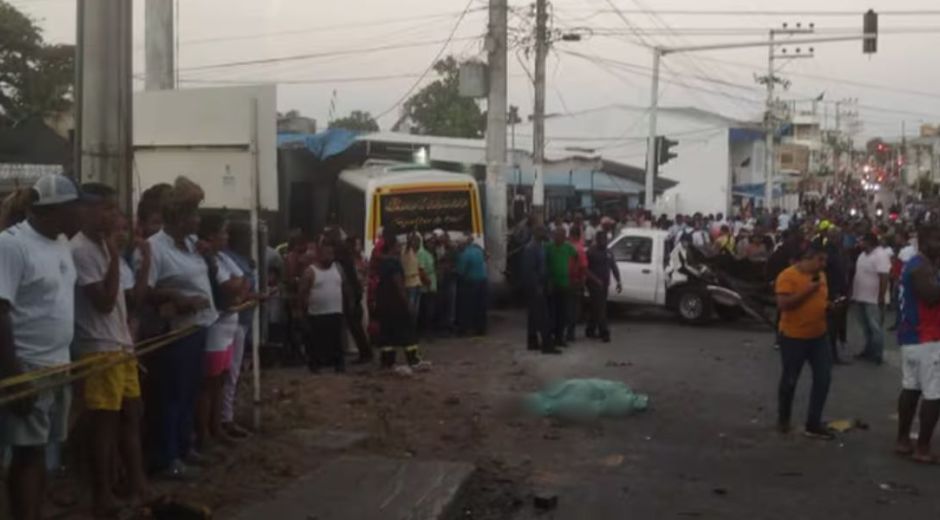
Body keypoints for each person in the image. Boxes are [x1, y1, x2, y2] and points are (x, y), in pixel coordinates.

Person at [0, 174, 83, 520]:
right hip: (28, 367)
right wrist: (16, 377)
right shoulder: (12, 245)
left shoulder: (61, 241)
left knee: (43, 451)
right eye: (73, 209)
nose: (78, 217)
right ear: (53, 210)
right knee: (28, 453)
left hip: (57, 365)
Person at [70, 183, 150, 514]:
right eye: (105, 209)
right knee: (103, 423)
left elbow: (132, 300)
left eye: (114, 209)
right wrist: (116, 256)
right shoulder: (81, 249)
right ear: (85, 210)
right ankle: (100, 493)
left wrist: (145, 262)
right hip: (98, 347)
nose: (113, 216)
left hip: (120, 344)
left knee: (132, 413)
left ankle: (137, 483)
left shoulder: (104, 246)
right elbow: (103, 302)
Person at [141, 177, 217, 479]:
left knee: (189, 393)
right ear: (180, 217)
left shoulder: (190, 246)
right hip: (174, 332)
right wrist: (177, 298)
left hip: (197, 328)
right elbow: (146, 292)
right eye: (194, 214)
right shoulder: (154, 248)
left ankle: (185, 447)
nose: (198, 219)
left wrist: (208, 258)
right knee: (170, 396)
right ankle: (167, 455)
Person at [775, 243, 833, 440]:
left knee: (823, 378)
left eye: (824, 260)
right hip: (793, 338)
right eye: (820, 260)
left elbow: (822, 301)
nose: (823, 264)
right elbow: (783, 304)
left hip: (819, 336)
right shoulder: (787, 276)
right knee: (790, 380)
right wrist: (808, 290)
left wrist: (830, 307)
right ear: (807, 258)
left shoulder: (821, 276)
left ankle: (813, 422)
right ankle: (784, 419)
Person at [896, 224, 940, 463]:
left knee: (911, 388)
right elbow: (931, 296)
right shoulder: (920, 267)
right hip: (926, 338)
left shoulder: (918, 265)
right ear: (924, 243)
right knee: (934, 394)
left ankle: (903, 440)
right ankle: (922, 448)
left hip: (913, 338)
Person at [220, 221, 256, 438]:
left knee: (235, 372)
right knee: (229, 374)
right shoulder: (227, 257)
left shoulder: (243, 259)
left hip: (244, 319)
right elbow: (237, 289)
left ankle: (228, 414)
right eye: (246, 236)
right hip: (232, 321)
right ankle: (225, 418)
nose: (250, 240)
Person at [375, 233, 427, 372]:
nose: (400, 247)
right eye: (398, 245)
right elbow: (399, 284)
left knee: (387, 334)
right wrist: (407, 302)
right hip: (396, 304)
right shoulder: (394, 263)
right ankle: (413, 359)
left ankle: (387, 362)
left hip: (384, 303)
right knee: (408, 331)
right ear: (392, 247)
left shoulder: (382, 263)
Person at [299, 240, 348, 373]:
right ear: (319, 254)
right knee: (316, 341)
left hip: (336, 311)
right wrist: (303, 311)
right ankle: (315, 365)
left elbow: (343, 287)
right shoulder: (310, 271)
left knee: (337, 341)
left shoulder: (338, 268)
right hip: (317, 313)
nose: (330, 256)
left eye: (332, 253)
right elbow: (303, 292)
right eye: (327, 253)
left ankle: (339, 364)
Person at [851, 233, 890, 365]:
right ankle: (868, 350)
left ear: (869, 242)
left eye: (861, 241)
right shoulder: (862, 255)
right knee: (865, 327)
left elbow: (884, 277)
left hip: (873, 298)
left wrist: (881, 296)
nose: (859, 243)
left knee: (875, 327)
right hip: (860, 296)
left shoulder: (880, 255)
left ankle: (877, 354)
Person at [333, 234, 372, 364]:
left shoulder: (345, 261)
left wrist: (351, 298)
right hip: (354, 294)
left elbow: (349, 281)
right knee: (356, 326)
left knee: (355, 326)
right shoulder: (349, 260)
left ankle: (365, 353)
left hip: (350, 295)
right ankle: (365, 352)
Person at [521, 226, 557, 354]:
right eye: (542, 231)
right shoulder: (531, 248)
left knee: (533, 315)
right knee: (543, 316)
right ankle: (547, 345)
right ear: (536, 232)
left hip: (540, 284)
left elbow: (543, 267)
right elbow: (530, 271)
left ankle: (532, 342)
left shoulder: (540, 246)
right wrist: (537, 287)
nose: (545, 233)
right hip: (535, 286)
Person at [544, 226, 578, 347]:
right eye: (556, 235)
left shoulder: (568, 247)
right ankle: (552, 337)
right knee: (553, 313)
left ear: (565, 237)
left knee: (563, 314)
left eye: (561, 236)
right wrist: (548, 280)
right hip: (553, 285)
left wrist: (574, 272)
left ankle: (560, 338)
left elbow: (576, 257)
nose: (559, 238)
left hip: (565, 284)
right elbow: (544, 263)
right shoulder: (548, 247)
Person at [585, 232, 622, 342]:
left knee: (596, 308)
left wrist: (618, 281)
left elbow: (614, 267)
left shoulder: (608, 252)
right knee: (601, 308)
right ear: (597, 240)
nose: (603, 242)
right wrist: (595, 280)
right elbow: (585, 269)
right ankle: (604, 332)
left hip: (605, 284)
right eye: (601, 239)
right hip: (594, 284)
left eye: (605, 239)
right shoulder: (591, 252)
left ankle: (590, 329)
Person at [455, 235, 488, 336]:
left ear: (463, 244)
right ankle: (481, 329)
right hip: (483, 281)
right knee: (480, 307)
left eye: (459, 244)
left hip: (471, 283)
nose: (458, 246)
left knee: (467, 307)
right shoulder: (478, 251)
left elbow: (461, 271)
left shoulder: (465, 254)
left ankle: (465, 329)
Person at [565, 226, 588, 342]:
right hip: (576, 281)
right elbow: (583, 267)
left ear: (571, 235)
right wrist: (583, 281)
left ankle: (564, 332)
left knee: (566, 306)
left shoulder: (565, 246)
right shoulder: (580, 249)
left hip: (564, 280)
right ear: (579, 236)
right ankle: (570, 333)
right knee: (574, 308)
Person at [416, 235, 437, 339]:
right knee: (427, 311)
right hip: (426, 287)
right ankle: (426, 332)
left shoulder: (430, 254)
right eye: (430, 242)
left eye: (433, 242)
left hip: (432, 285)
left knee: (431, 310)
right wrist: (427, 282)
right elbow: (421, 270)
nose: (432, 244)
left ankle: (430, 331)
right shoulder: (422, 253)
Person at [401, 233, 422, 317]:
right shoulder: (405, 250)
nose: (418, 244)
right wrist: (411, 235)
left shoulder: (415, 253)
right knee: (410, 308)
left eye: (419, 242)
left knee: (416, 310)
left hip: (417, 283)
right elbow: (408, 245)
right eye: (416, 241)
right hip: (409, 283)